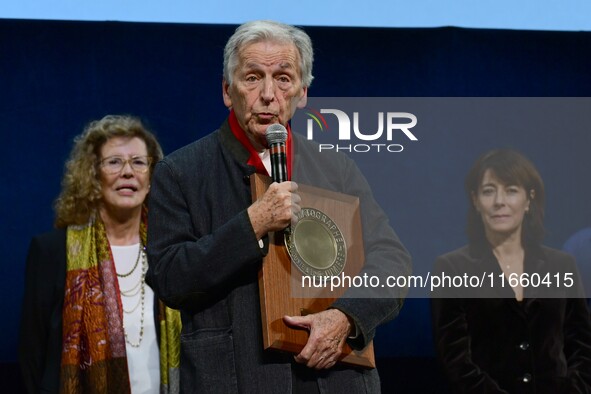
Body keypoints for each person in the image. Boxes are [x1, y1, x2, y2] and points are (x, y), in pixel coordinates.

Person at [146, 20, 411, 393]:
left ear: (302, 93)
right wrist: (250, 225)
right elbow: (169, 277)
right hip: (236, 377)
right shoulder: (181, 172)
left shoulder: (337, 169)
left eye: (283, 78)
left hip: (336, 377)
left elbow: (393, 262)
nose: (268, 94)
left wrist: (346, 318)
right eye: (252, 77)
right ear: (227, 90)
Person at [18, 115, 181, 394]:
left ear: (152, 177)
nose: (128, 172)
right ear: (92, 175)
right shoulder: (52, 252)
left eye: (139, 162)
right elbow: (32, 359)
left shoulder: (171, 249)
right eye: (114, 161)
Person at [431, 148, 591, 393]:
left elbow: (583, 348)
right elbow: (456, 361)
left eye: (511, 190)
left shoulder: (562, 264)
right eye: (488, 191)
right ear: (475, 200)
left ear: (529, 199)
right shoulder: (451, 268)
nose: (499, 201)